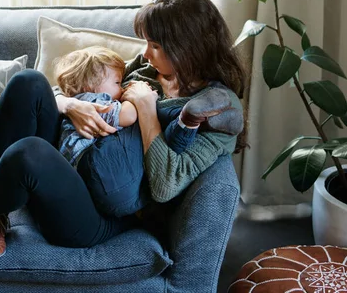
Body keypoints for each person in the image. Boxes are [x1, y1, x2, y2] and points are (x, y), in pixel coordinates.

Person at [0, 0, 248, 260]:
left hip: (99, 214)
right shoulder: (148, 70)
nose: (144, 53)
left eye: (155, 45)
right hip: (75, 160)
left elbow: (166, 185)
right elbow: (81, 87)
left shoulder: (212, 112)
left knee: (30, 153)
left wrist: (144, 107)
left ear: (188, 48)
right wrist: (71, 106)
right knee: (29, 83)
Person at [54, 45, 242, 217]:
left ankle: (188, 122)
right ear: (90, 84)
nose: (145, 53)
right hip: (100, 168)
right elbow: (129, 115)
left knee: (163, 136)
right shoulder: (96, 101)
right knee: (149, 119)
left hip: (114, 177)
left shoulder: (103, 86)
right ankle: (187, 115)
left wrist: (142, 101)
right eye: (118, 83)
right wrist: (139, 99)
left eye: (155, 45)